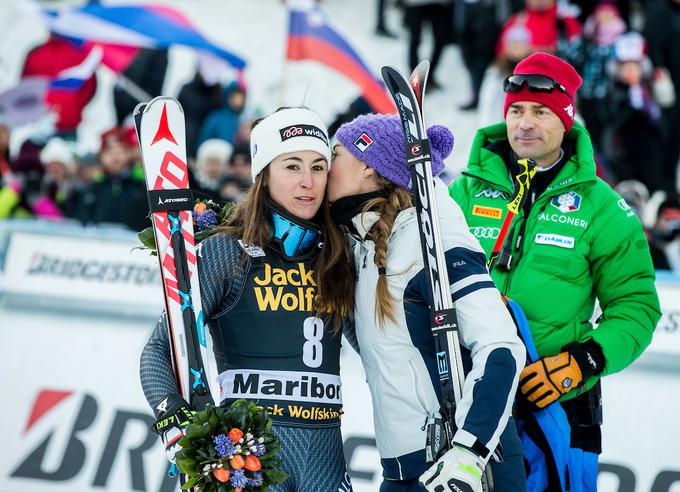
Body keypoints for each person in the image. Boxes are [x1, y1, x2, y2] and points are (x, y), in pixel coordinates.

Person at [448, 52, 661, 490]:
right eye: (517, 111)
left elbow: (636, 306)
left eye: (540, 112)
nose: (524, 123)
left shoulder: (603, 207)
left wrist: (582, 362)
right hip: (466, 399)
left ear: (566, 119)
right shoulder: (463, 191)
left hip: (552, 405)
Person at [140, 107, 355, 492]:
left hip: (326, 462)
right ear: (264, 174)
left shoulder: (340, 257)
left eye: (318, 167)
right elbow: (160, 348)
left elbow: (381, 348)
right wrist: (176, 426)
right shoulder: (228, 251)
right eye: (292, 166)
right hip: (246, 458)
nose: (308, 182)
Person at [328, 114, 527, 492]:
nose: (327, 164)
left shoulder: (435, 242)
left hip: (461, 466)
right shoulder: (365, 246)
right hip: (400, 469)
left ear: (369, 166)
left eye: (336, 153)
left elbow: (501, 348)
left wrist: (469, 453)